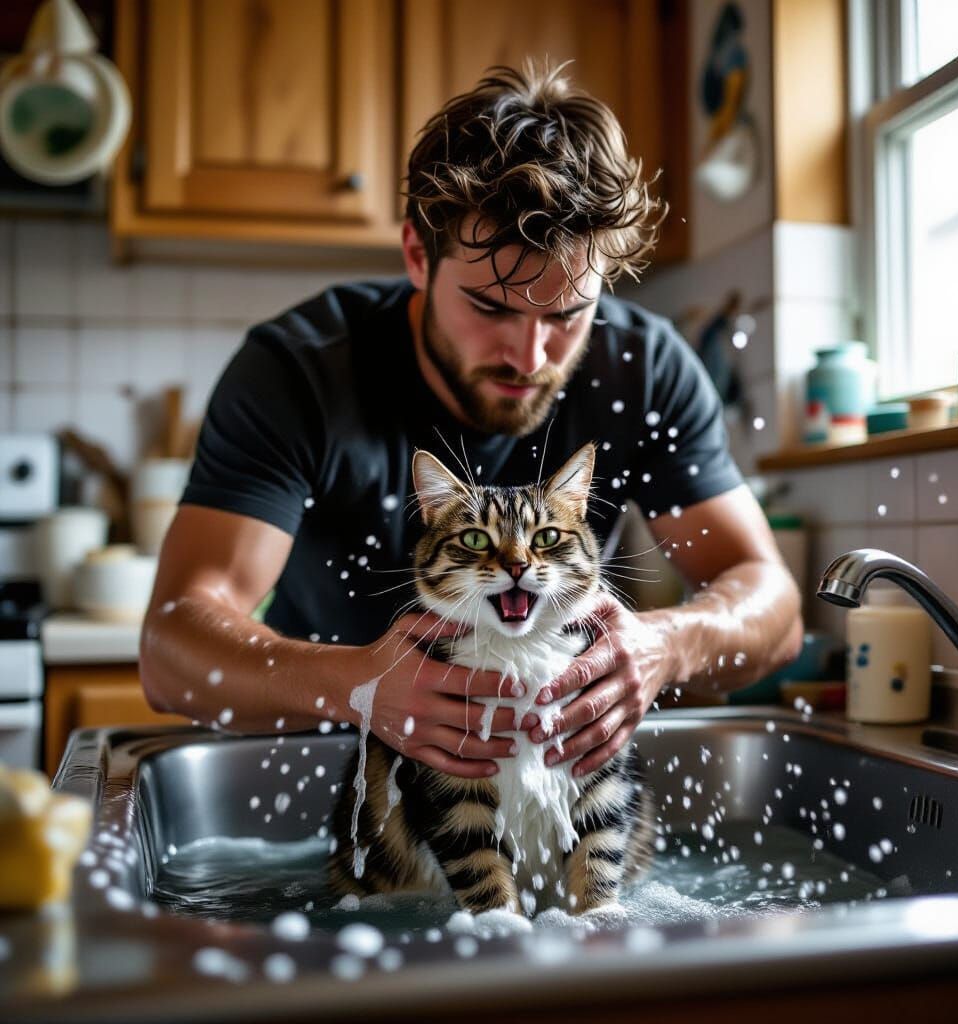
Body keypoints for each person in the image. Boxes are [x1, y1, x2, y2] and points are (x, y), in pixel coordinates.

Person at [140, 63, 803, 782]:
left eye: (567, 314)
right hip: (336, 780)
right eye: (491, 309)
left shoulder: (646, 371)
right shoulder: (298, 373)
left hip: (552, 777)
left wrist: (666, 645)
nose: (530, 356)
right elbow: (172, 649)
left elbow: (773, 607)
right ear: (417, 256)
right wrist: (360, 685)